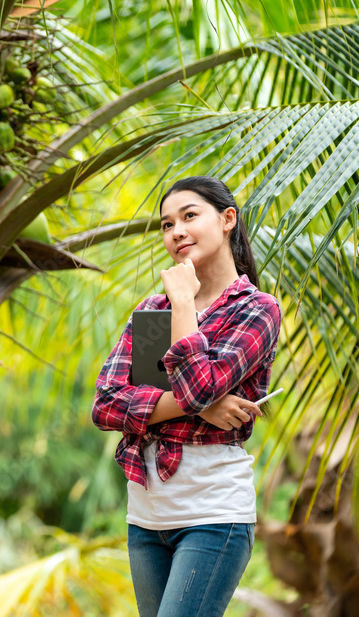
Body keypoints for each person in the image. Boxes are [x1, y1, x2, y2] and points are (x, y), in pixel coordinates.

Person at [91, 176, 283, 617]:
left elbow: (195, 385)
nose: (175, 230)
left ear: (227, 219)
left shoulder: (254, 309)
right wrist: (207, 405)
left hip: (213, 515)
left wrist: (182, 303)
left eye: (189, 216)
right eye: (166, 223)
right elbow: (106, 404)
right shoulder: (153, 313)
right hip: (145, 518)